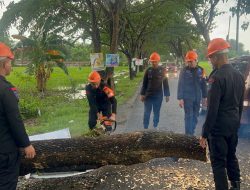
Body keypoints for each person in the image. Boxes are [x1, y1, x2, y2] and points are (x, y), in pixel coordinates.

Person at [200, 38, 244, 190]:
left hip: (219, 128)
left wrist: (204, 133)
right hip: (233, 124)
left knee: (218, 162)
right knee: (231, 156)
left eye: (211, 57)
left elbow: (212, 110)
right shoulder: (239, 75)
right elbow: (239, 104)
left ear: (217, 56)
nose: (210, 61)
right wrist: (237, 123)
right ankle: (236, 185)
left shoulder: (216, 78)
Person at [0, 42, 36, 190]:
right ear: (3, 63)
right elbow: (14, 119)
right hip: (5, 152)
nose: (11, 66)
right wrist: (26, 144)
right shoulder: (6, 89)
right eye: (10, 62)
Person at [177, 50, 207, 135]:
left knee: (195, 116)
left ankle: (191, 131)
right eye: (188, 61)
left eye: (191, 61)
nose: (189, 63)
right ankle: (188, 135)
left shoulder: (201, 70)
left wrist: (205, 97)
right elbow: (180, 84)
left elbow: (203, 84)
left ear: (196, 60)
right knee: (188, 116)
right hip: (187, 97)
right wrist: (180, 98)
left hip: (197, 97)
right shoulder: (184, 71)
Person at [140, 52, 170, 130]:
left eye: (155, 61)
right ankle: (145, 128)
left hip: (158, 96)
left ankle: (155, 126)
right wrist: (142, 94)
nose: (154, 63)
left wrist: (167, 95)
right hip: (148, 96)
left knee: (156, 112)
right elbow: (144, 83)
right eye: (152, 61)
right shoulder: (148, 70)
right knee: (147, 113)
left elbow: (165, 83)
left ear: (158, 61)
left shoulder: (162, 70)